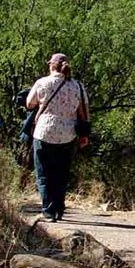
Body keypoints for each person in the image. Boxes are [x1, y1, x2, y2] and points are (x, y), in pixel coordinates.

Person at [26, 53, 89, 222]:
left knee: (44, 173)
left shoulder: (42, 83)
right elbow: (83, 112)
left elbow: (29, 103)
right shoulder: (78, 86)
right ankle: (59, 209)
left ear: (52, 65)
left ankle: (48, 211)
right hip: (68, 134)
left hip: (44, 132)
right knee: (62, 174)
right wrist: (84, 135)